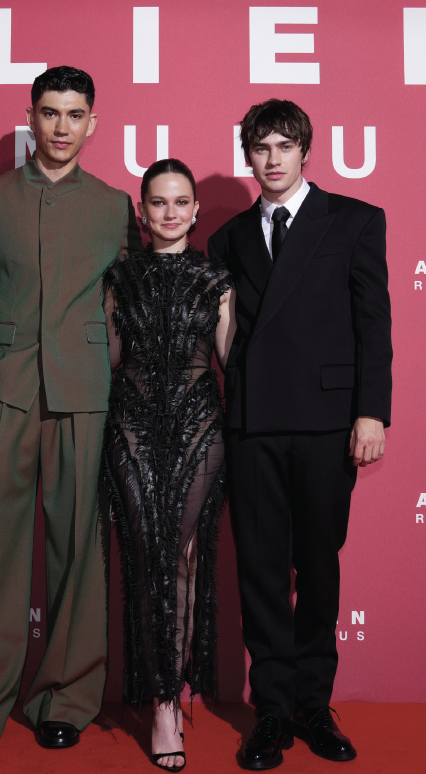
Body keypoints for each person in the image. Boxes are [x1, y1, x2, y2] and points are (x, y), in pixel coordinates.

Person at [0, 66, 141, 750]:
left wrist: (114, 364)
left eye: (76, 114)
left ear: (92, 123)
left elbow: (124, 297)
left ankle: (65, 700)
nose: (63, 127)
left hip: (84, 395)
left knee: (79, 549)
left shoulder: (114, 205)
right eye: (50, 113)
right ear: (31, 118)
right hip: (3, 390)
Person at [209, 99, 392, 770]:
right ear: (248, 156)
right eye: (261, 148)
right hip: (253, 418)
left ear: (305, 151)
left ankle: (313, 705)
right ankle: (271, 710)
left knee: (317, 565)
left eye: (286, 145)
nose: (274, 158)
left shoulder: (353, 220)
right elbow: (228, 337)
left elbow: (375, 324)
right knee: (259, 569)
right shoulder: (226, 238)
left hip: (325, 419)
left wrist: (371, 412)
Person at [103, 159, 235, 771]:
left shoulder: (217, 279)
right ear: (142, 210)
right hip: (131, 427)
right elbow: (107, 360)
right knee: (146, 555)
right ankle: (158, 691)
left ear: (196, 211)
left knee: (183, 559)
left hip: (199, 429)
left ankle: (167, 701)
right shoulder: (118, 279)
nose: (171, 213)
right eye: (159, 202)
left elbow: (231, 365)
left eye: (181, 202)